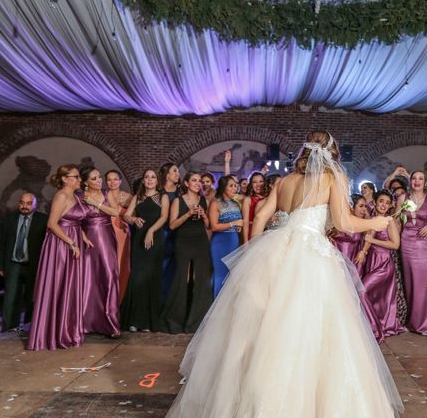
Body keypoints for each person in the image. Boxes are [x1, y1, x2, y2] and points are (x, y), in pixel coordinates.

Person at [166, 131, 402, 418]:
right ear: (331, 154)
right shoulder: (332, 179)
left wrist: (253, 251)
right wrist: (377, 221)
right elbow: (343, 222)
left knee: (266, 326)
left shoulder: (285, 181)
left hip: (275, 250)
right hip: (310, 257)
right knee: (308, 329)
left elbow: (263, 216)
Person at [28, 165, 91, 350]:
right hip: (60, 245)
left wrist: (84, 237)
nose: (80, 180)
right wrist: (72, 243)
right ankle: (52, 334)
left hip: (73, 240)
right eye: (76, 177)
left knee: (70, 287)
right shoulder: (61, 196)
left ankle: (67, 331)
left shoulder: (76, 196)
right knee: (59, 285)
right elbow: (52, 224)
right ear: (65, 178)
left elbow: (75, 221)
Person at [330, 194, 385, 342]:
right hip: (338, 261)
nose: (364, 209)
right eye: (360, 206)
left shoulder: (362, 222)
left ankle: (372, 328)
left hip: (354, 261)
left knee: (357, 293)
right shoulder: (339, 221)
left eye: (365, 206)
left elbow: (369, 234)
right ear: (350, 207)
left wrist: (364, 251)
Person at [163, 172, 213, 334]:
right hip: (183, 242)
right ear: (186, 183)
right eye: (194, 180)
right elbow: (172, 225)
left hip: (200, 242)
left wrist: (204, 216)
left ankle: (196, 322)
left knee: (200, 280)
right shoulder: (178, 200)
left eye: (199, 181)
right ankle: (176, 320)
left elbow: (209, 225)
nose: (198, 183)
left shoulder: (204, 200)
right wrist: (188, 214)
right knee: (181, 279)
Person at [120, 169, 169, 332]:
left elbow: (164, 217)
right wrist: (133, 218)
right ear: (143, 181)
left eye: (153, 177)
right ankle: (135, 320)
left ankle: (148, 322)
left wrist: (150, 231)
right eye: (147, 177)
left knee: (151, 278)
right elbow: (126, 215)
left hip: (155, 240)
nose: (149, 180)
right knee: (138, 279)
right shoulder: (137, 197)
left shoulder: (163, 197)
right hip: (139, 241)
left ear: (157, 181)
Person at [397, 170, 427, 335]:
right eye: (414, 178)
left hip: (424, 245)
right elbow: (397, 221)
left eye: (420, 179)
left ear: (425, 182)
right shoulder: (402, 198)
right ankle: (414, 322)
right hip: (407, 243)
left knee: (426, 283)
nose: (417, 181)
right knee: (411, 284)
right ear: (410, 181)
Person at [357, 189, 405, 338]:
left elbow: (395, 245)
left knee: (361, 290)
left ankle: (374, 328)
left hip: (383, 265)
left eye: (387, 203)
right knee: (375, 296)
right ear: (375, 202)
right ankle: (375, 323)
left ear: (390, 206)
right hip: (371, 262)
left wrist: (373, 240)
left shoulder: (389, 221)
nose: (384, 205)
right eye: (381, 201)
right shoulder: (370, 218)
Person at [80, 166, 121, 337]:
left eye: (99, 178)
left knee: (109, 276)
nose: (99, 181)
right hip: (89, 239)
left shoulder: (106, 194)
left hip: (106, 238)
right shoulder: (80, 197)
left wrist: (96, 203)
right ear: (85, 182)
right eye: (94, 178)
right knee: (89, 278)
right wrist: (82, 236)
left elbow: (115, 212)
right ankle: (85, 322)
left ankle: (110, 322)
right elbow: (75, 219)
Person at [0, 193, 47, 332]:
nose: (24, 206)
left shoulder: (43, 220)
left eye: (28, 203)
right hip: (13, 263)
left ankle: (29, 328)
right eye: (22, 203)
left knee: (31, 298)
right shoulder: (10, 219)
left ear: (34, 205)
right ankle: (8, 329)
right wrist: (1, 265)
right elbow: (3, 243)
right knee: (10, 298)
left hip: (34, 265)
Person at [208, 175, 243, 297]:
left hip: (233, 241)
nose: (235, 188)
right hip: (220, 242)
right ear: (224, 188)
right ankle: (216, 307)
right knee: (220, 274)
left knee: (231, 275)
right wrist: (233, 223)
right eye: (231, 186)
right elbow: (214, 226)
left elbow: (238, 222)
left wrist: (238, 226)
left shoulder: (236, 203)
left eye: (235, 186)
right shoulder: (215, 203)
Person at [105, 169, 132, 304]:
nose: (112, 182)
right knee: (107, 266)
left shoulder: (128, 197)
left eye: (115, 179)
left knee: (120, 265)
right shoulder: (102, 196)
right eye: (109, 179)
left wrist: (123, 210)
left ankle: (118, 301)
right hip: (104, 232)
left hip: (121, 232)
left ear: (120, 181)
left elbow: (133, 215)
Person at [159, 163, 180, 302]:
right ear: (167, 175)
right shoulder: (158, 193)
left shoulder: (181, 193)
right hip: (162, 234)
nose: (178, 173)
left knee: (173, 272)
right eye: (175, 171)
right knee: (161, 269)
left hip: (178, 235)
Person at [241, 171, 267, 243]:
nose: (258, 185)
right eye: (255, 182)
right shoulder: (248, 199)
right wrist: (245, 242)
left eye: (261, 181)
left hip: (267, 234)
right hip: (253, 233)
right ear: (251, 185)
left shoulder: (269, 198)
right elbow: (245, 222)